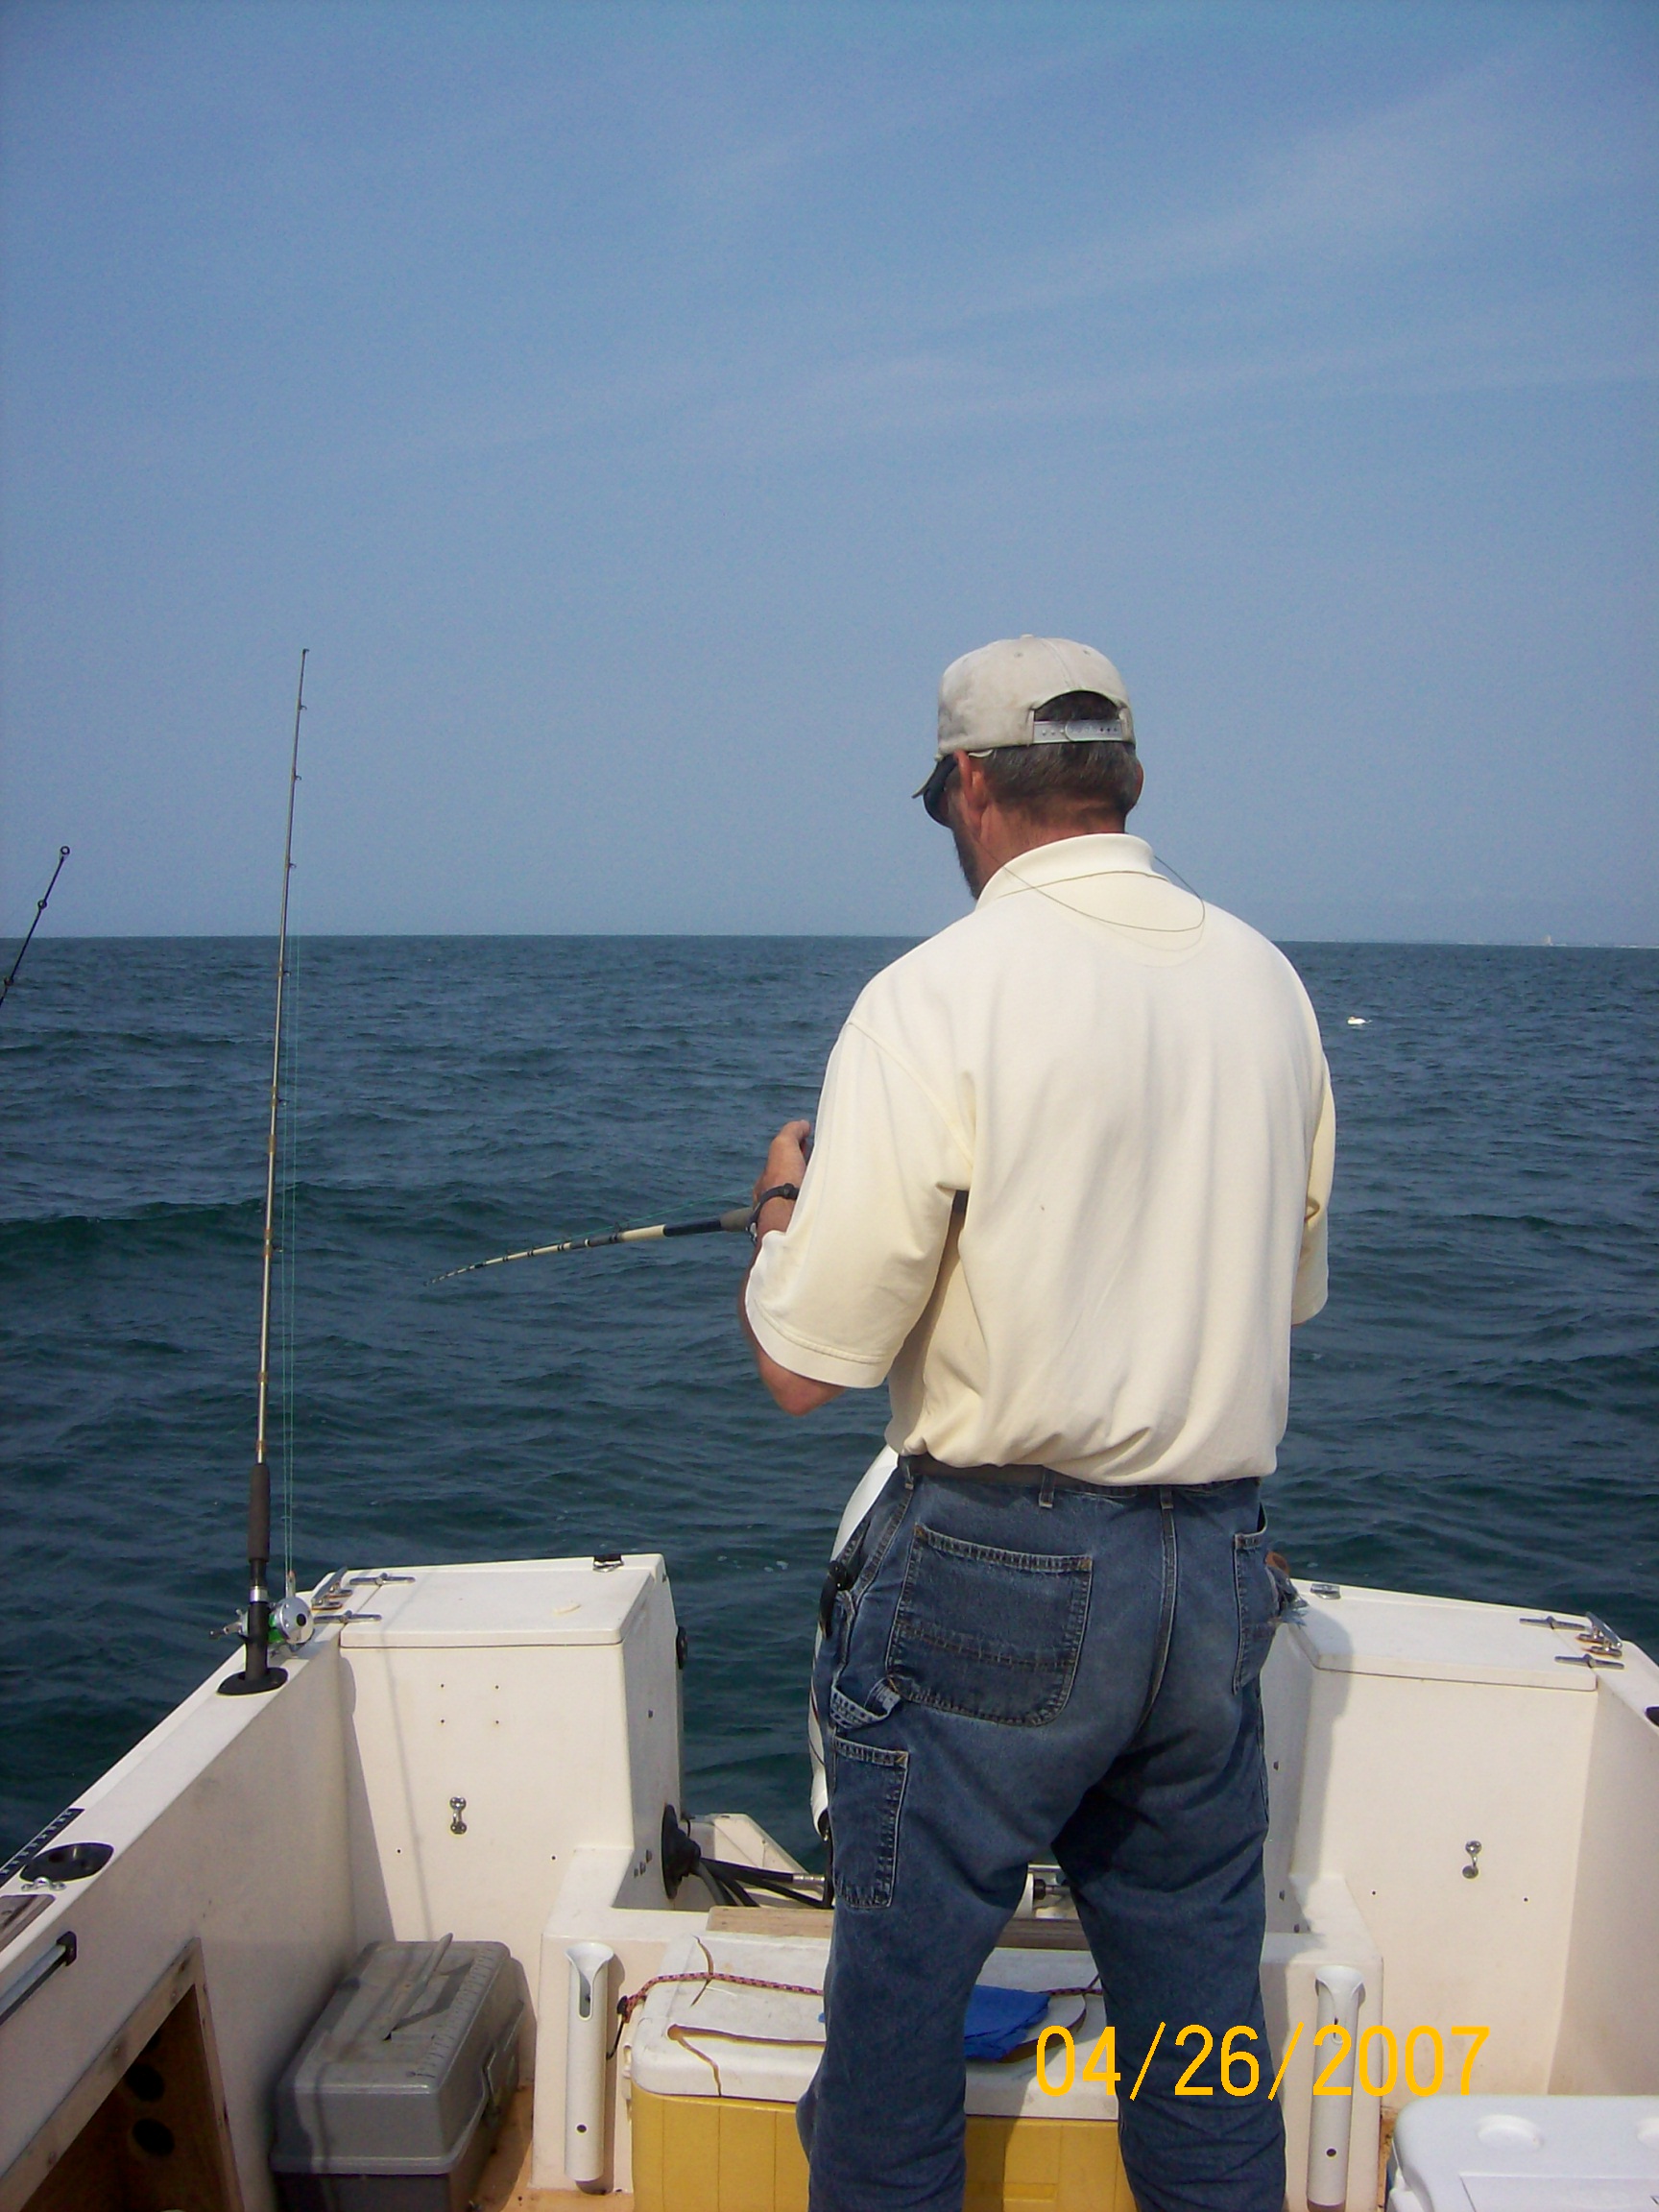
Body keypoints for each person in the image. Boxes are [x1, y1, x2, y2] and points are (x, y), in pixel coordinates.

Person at [738, 635, 1334, 2212]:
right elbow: (1282, 1298)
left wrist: (784, 1200)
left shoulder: (934, 996)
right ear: (1124, 779)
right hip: (1215, 1573)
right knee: (1204, 2058)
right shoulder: (1269, 985)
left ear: (975, 786)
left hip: (996, 1580)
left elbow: (807, 1365)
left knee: (890, 2050)